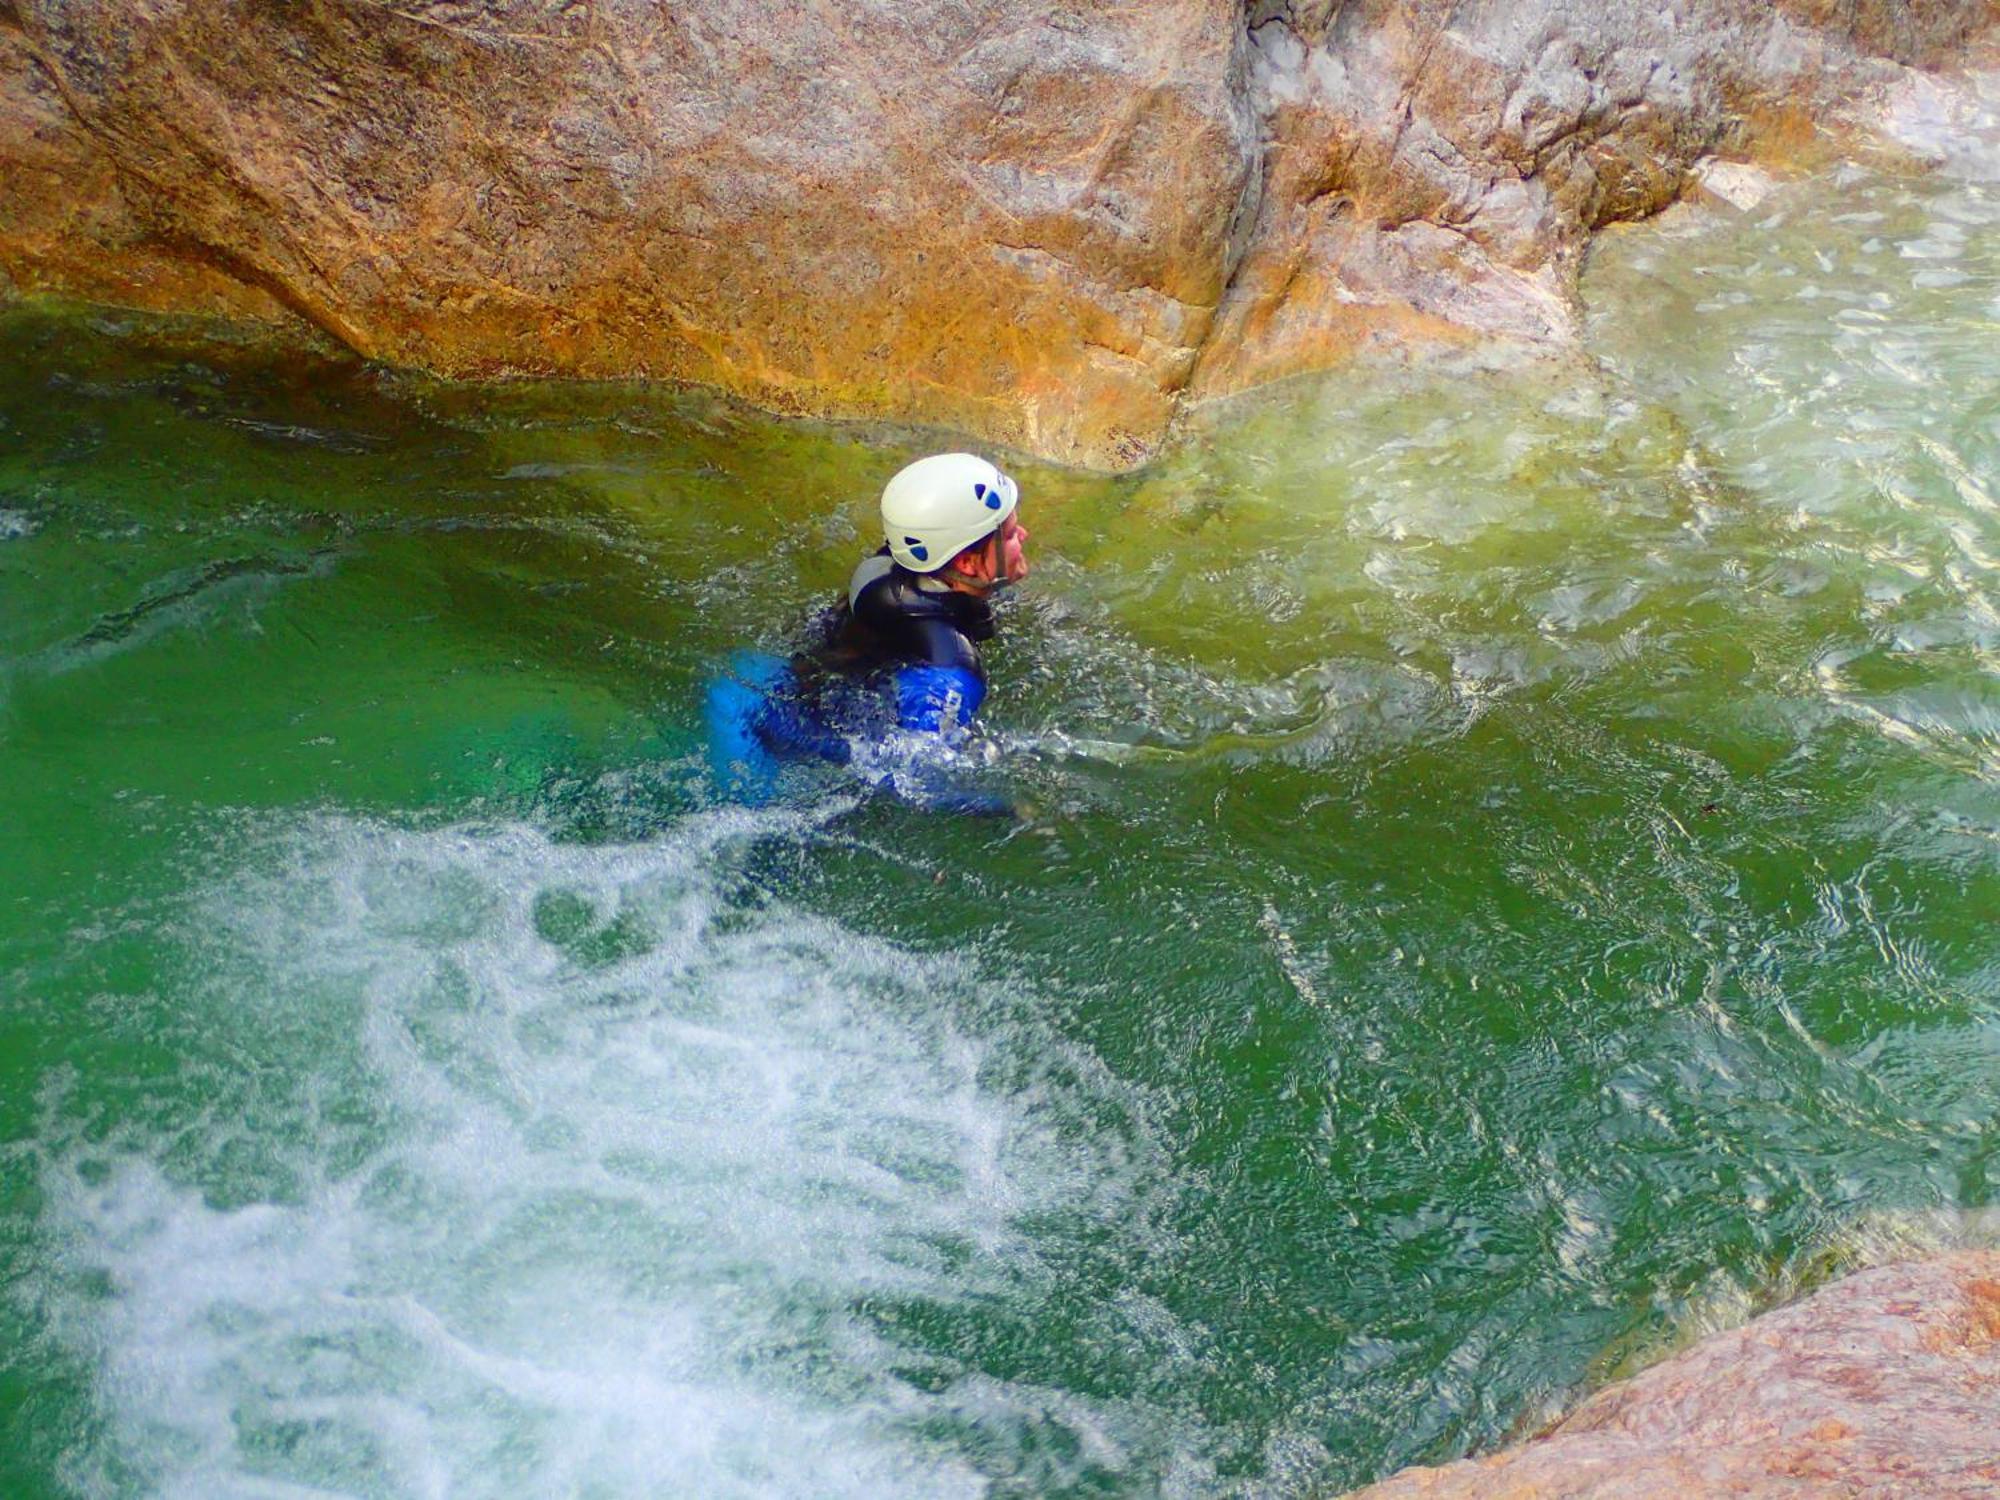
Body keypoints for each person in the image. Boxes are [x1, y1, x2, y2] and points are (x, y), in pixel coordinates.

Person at [707, 452, 1030, 795]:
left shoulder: (896, 572)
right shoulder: (951, 674)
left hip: (746, 684)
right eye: (1009, 534)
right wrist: (1006, 809)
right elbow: (918, 784)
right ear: (966, 563)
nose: (1023, 534)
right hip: (767, 729)